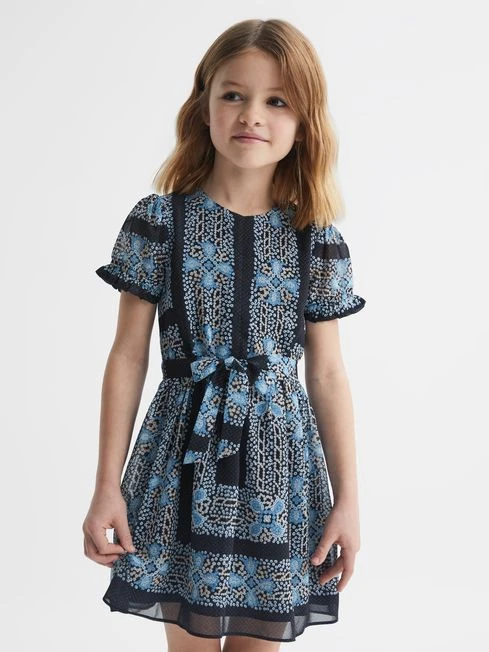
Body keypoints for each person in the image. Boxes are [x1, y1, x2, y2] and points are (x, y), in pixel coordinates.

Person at [82, 17, 366, 652]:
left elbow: (326, 374)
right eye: (233, 94)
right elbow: (127, 356)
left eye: (277, 101)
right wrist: (106, 485)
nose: (252, 115)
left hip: (279, 475)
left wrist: (348, 500)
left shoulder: (316, 241)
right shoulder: (160, 222)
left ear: (305, 123)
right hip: (180, 463)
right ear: (203, 106)